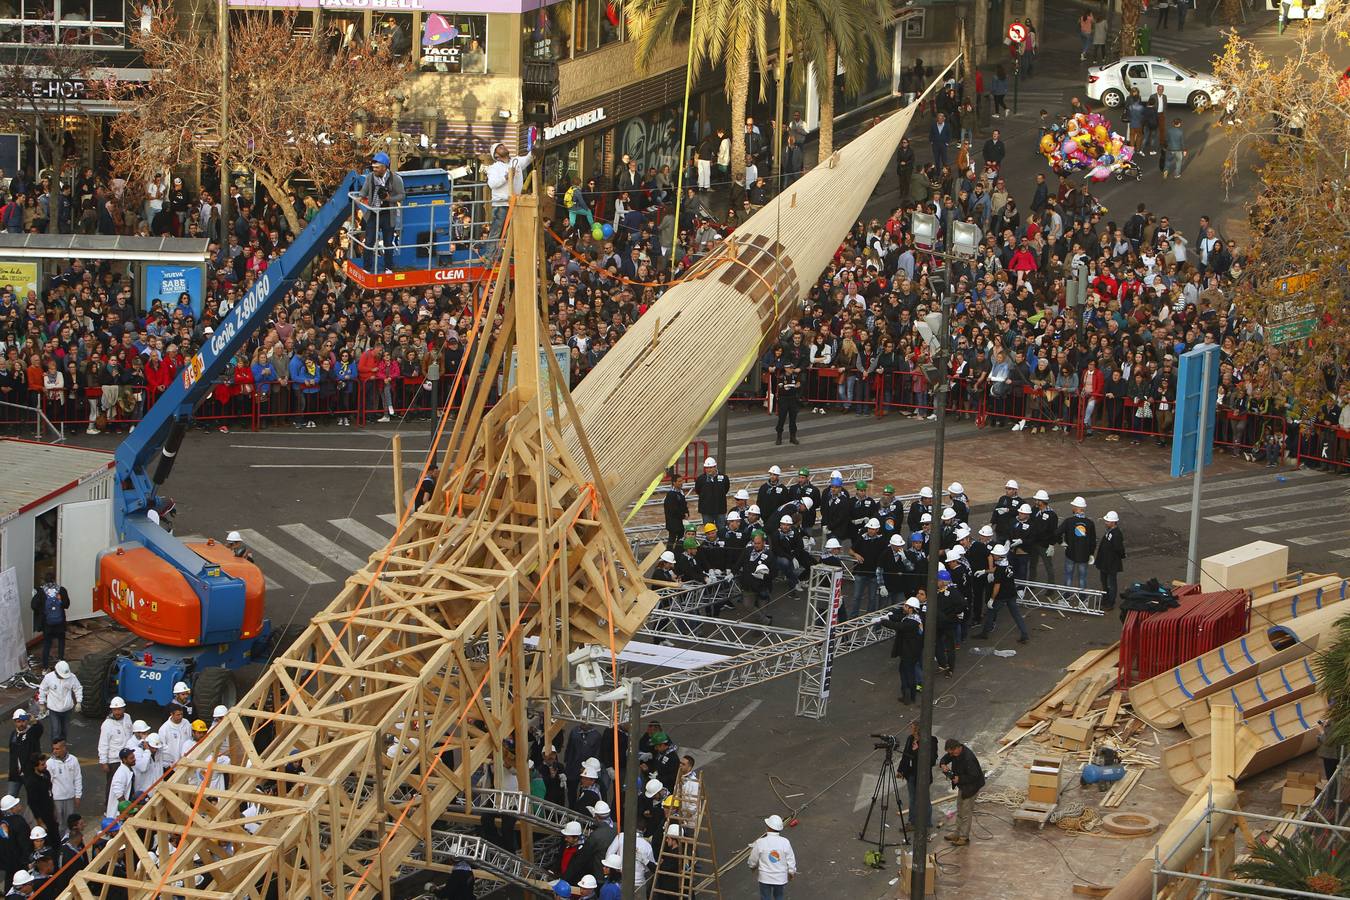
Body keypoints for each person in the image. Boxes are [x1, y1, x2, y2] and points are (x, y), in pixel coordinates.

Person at [485, 141, 535, 257]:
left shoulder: (516, 161)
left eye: (502, 145)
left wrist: (535, 146)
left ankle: (516, 255)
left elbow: (529, 158)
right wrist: (506, 177)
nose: (502, 147)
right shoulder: (494, 168)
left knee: (518, 231)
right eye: (499, 148)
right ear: (495, 155)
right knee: (497, 232)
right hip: (502, 204)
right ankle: (489, 257)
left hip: (516, 203)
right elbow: (492, 184)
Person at [358, 152, 406, 273]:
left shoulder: (395, 179)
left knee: (388, 242)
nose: (374, 169)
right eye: (373, 167)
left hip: (388, 214)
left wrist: (389, 199)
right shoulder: (370, 177)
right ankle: (366, 268)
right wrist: (361, 198)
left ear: (385, 167)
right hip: (373, 213)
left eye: (377, 167)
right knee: (369, 242)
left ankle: (388, 267)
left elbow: (402, 195)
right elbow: (363, 192)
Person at [876, 598, 924, 703]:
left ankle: (908, 696)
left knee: (907, 672)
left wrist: (884, 621)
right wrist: (889, 617)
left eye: (906, 606)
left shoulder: (912, 622)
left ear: (912, 609)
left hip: (909, 652)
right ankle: (910, 695)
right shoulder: (914, 618)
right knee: (907, 671)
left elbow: (899, 626)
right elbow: (899, 618)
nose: (904, 607)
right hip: (911, 651)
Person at [938, 738, 985, 846]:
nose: (952, 755)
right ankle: (957, 833)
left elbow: (974, 775)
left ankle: (964, 837)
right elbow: (945, 758)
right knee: (960, 809)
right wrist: (943, 764)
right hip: (963, 786)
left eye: (953, 752)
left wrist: (960, 779)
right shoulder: (954, 753)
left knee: (966, 813)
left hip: (971, 786)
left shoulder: (968, 758)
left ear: (957, 748)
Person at [899, 720, 938, 829]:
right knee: (912, 799)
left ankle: (927, 822)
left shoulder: (931, 741)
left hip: (922, 775)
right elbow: (906, 755)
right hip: (911, 773)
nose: (911, 730)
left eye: (912, 728)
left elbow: (932, 760)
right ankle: (912, 821)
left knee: (924, 799)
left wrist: (917, 750)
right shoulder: (910, 739)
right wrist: (901, 770)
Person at [748, 814, 796, 899]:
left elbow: (753, 859)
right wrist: (791, 872)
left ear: (768, 827)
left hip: (765, 878)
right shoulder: (785, 842)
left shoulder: (760, 842)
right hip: (780, 878)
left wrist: (752, 866)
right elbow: (791, 859)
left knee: (765, 897)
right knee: (779, 897)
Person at [29, 579, 69, 670]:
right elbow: (67, 604)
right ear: (55, 580)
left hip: (47, 624)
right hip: (60, 623)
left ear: (44, 581)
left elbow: (33, 605)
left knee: (47, 644)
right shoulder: (61, 590)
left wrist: (42, 611)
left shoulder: (41, 592)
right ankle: (61, 662)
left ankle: (45, 668)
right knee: (61, 642)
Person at [36, 661, 80, 743]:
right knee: (56, 730)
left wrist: (79, 702)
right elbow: (42, 689)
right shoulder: (49, 678)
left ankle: (63, 748)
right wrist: (42, 703)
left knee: (64, 730)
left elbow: (77, 688)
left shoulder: (72, 677)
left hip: (67, 709)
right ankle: (55, 749)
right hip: (54, 710)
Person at [1058, 497, 1096, 590]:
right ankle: (1083, 600)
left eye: (1073, 506)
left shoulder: (1069, 521)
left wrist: (1061, 542)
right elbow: (1093, 541)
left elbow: (1057, 533)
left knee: (1068, 577)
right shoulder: (1090, 523)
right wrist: (1091, 553)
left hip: (1070, 554)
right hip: (1084, 555)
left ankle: (1066, 598)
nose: (1072, 508)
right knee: (1082, 578)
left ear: (1076, 508)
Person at [97, 697, 133, 793]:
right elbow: (103, 744)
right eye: (114, 710)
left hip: (127, 758)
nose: (117, 712)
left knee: (127, 783)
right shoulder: (107, 724)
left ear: (124, 709)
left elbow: (131, 734)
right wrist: (104, 762)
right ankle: (108, 805)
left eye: (119, 709)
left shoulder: (127, 718)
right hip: (114, 761)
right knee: (112, 785)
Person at [46, 739, 80, 832]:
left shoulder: (73, 760)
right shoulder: (49, 763)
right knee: (59, 824)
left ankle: (68, 842)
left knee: (71, 824)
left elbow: (77, 778)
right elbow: (48, 784)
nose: (54, 751)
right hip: (57, 799)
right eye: (54, 749)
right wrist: (50, 800)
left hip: (70, 797)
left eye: (57, 749)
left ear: (64, 748)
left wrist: (78, 795)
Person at [1095, 510, 1126, 610]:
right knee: (1104, 582)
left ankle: (1110, 602)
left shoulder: (1116, 534)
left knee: (1111, 584)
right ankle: (1105, 599)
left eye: (1107, 521)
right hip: (1104, 563)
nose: (1106, 523)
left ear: (1113, 522)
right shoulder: (1109, 532)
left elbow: (1119, 549)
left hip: (1111, 564)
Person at [7, 712, 41, 799]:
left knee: (34, 799)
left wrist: (34, 721)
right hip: (15, 774)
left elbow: (39, 729)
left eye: (23, 721)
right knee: (10, 799)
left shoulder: (32, 733)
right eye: (18, 721)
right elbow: (12, 754)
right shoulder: (13, 734)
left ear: (27, 721)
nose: (21, 724)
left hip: (29, 773)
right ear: (15, 722)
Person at [774, 363, 801, 445]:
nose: (791, 369)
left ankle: (793, 437)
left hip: (793, 399)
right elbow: (782, 389)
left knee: (793, 419)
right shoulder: (781, 377)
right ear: (785, 368)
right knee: (781, 418)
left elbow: (799, 387)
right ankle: (779, 437)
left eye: (792, 368)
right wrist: (793, 387)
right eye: (790, 368)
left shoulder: (796, 377)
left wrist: (794, 387)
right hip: (783, 399)